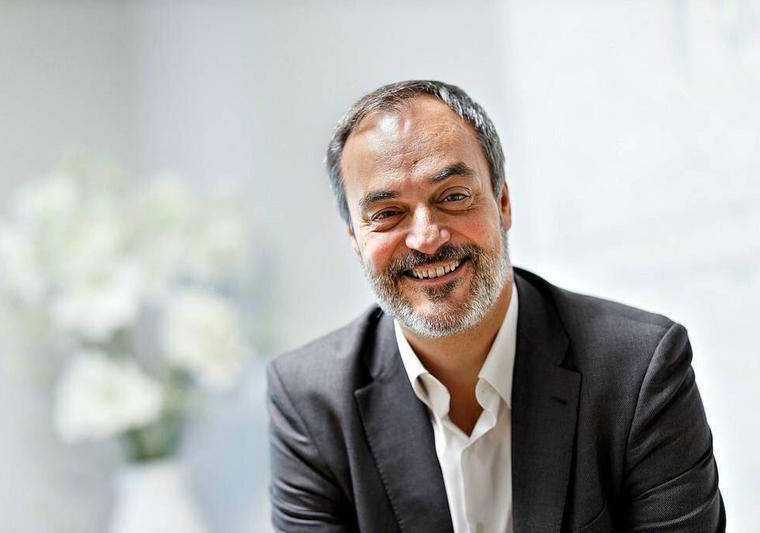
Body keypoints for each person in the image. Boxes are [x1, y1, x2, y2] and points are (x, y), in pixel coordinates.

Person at [266, 80, 725, 533]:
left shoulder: (639, 369)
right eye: (387, 214)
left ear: (502, 203)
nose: (426, 238)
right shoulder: (310, 401)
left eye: (453, 197)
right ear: (355, 240)